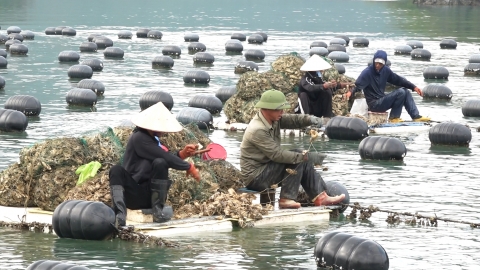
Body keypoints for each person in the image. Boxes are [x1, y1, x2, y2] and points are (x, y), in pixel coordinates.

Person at [240, 89, 345, 209]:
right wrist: (307, 157)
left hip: (268, 169)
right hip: (255, 178)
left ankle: (320, 197)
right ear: (267, 109)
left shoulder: (273, 119)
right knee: (299, 156)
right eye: (279, 110)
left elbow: (293, 120)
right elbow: (277, 155)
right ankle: (286, 199)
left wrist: (310, 119)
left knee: (301, 157)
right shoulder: (258, 129)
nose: (282, 112)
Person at [109, 102, 202, 227]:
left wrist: (182, 154)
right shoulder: (139, 138)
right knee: (116, 170)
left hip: (151, 196)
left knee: (160, 163)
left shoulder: (154, 140)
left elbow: (164, 159)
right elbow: (164, 156)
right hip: (133, 194)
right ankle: (120, 215)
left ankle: (158, 210)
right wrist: (189, 167)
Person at [345, 50, 430, 122]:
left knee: (405, 91)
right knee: (401, 92)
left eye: (380, 64)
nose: (378, 65)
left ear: (384, 63)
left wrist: (413, 87)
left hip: (382, 100)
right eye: (376, 63)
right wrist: (350, 92)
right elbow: (357, 85)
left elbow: (398, 80)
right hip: (374, 104)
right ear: (374, 60)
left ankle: (415, 116)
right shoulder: (367, 73)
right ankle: (394, 117)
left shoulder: (386, 71)